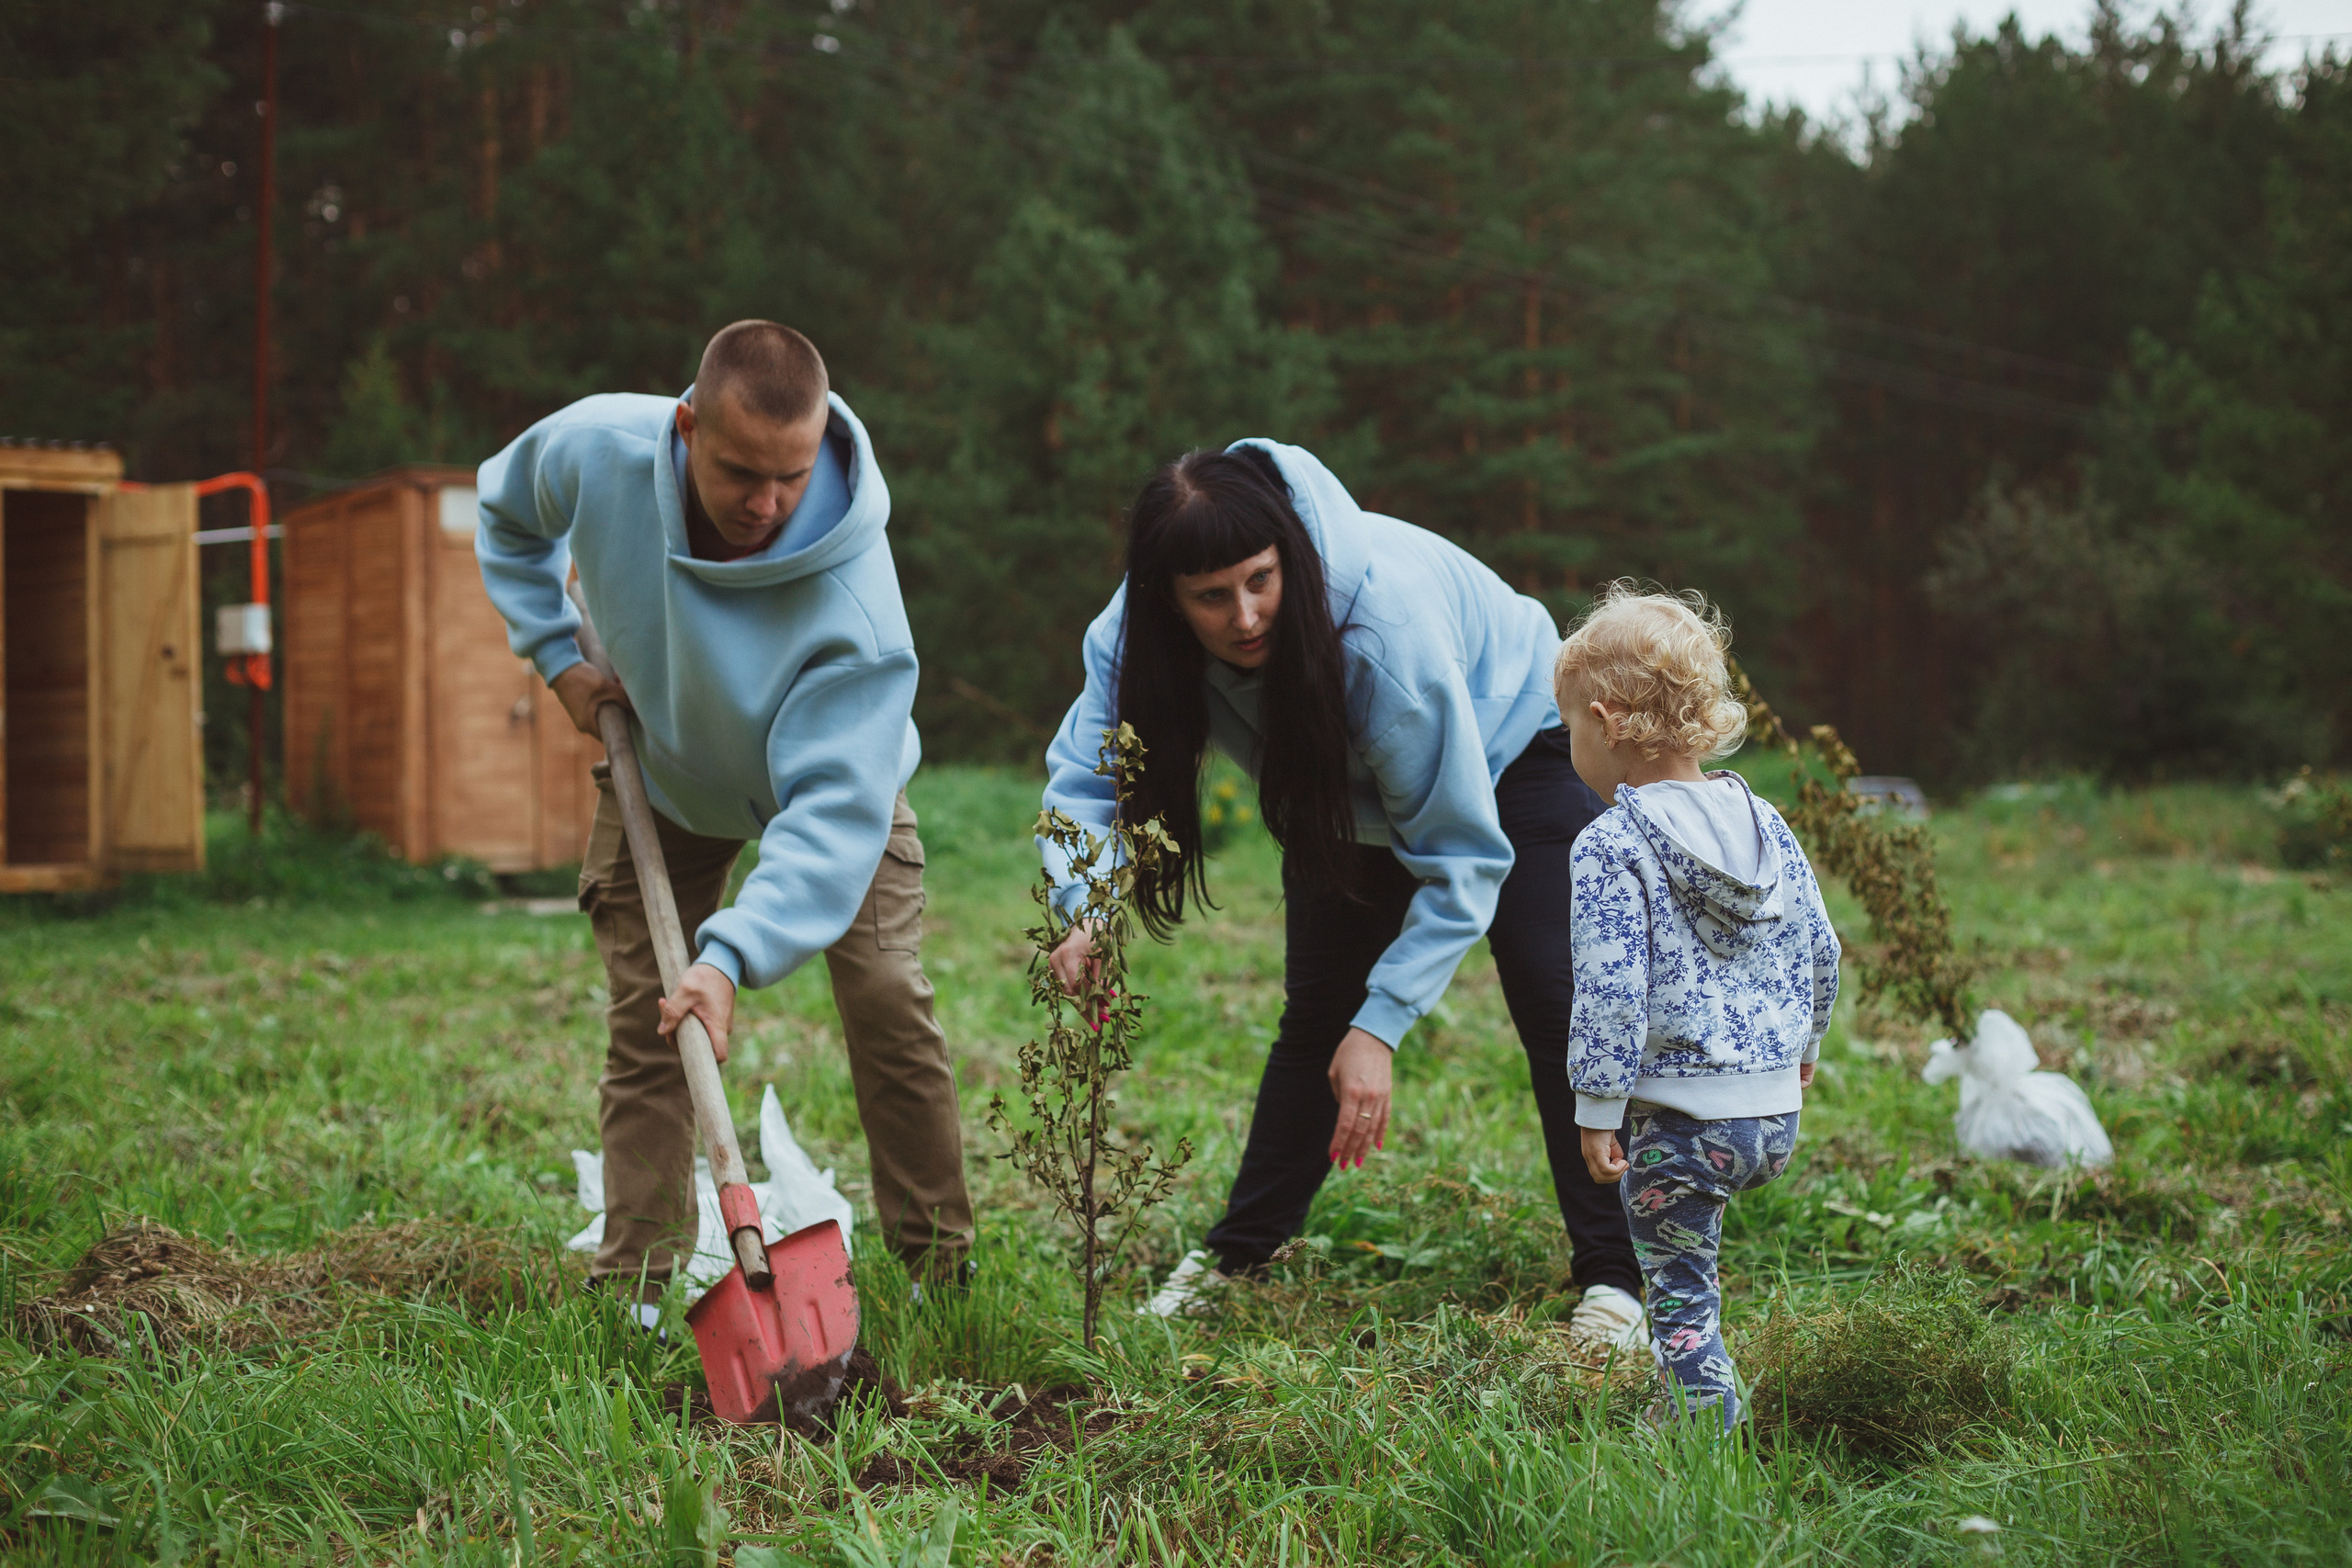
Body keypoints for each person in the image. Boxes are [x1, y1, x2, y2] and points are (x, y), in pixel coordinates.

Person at [1040, 440, 1649, 1348]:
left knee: (1555, 996)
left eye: (1259, 580)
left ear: (1288, 553)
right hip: (1339, 788)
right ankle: (1240, 1255)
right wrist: (1084, 906)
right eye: (1210, 597)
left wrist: (1386, 1022)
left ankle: (1619, 1279)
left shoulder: (1382, 634)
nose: (1243, 617)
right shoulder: (1127, 638)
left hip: (1506, 741)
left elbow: (1459, 851)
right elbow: (1089, 785)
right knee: (1316, 1017)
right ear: (1167, 596)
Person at [476, 321, 974, 1316]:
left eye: (789, 477)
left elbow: (833, 818)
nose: (767, 504)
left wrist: (730, 955)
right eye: (741, 471)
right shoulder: (598, 450)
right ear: (687, 425)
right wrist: (558, 656)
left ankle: (939, 1273)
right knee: (647, 1021)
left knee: (882, 996)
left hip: (836, 789)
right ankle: (641, 1285)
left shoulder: (854, 605)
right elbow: (506, 514)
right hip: (661, 772)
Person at [1556, 584, 1840, 1427]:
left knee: (1679, 1294)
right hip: (1772, 1112)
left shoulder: (1611, 841)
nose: (1571, 744)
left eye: (1569, 727)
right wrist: (1806, 1042)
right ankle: (1693, 1402)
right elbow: (1822, 945)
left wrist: (1596, 1107)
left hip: (1683, 1122)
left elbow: (1611, 989)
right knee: (1696, 1259)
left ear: (1606, 722)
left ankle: (1702, 1429)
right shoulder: (1767, 821)